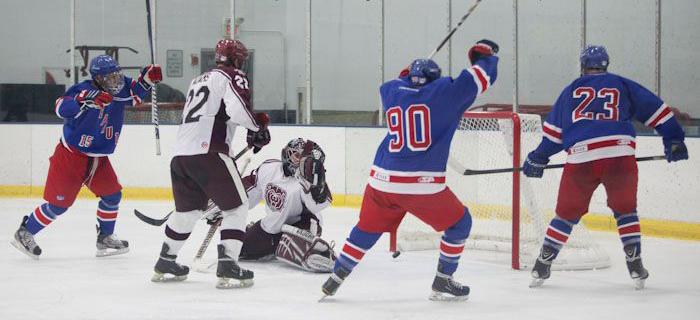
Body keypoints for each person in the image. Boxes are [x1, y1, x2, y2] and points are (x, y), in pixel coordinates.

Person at [320, 39, 499, 301]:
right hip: (420, 185)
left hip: (381, 181)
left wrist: (410, 73)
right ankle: (443, 280)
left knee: (367, 228)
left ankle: (336, 277)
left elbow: (400, 79)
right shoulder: (445, 94)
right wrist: (484, 53)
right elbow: (483, 75)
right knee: (460, 223)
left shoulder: (391, 92)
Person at [523, 45, 689, 290]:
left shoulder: (571, 90)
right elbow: (657, 110)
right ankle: (635, 265)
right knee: (626, 211)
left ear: (582, 65)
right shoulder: (621, 84)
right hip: (620, 154)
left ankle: (542, 265)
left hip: (581, 158)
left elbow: (554, 137)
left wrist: (537, 158)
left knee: (566, 214)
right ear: (606, 64)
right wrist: (673, 139)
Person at [10, 55, 161, 258]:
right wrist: (85, 100)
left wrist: (148, 79)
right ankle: (25, 232)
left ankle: (105, 237)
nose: (116, 81)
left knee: (112, 195)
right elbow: (60, 108)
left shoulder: (121, 86)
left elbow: (135, 95)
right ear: (98, 78)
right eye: (110, 78)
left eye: (117, 75)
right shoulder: (83, 89)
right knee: (59, 205)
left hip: (98, 158)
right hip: (71, 157)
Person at [150, 39, 271, 289]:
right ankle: (228, 264)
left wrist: (250, 127)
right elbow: (238, 111)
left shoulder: (197, 80)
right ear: (237, 59)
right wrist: (257, 126)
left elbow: (214, 115)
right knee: (236, 207)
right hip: (209, 153)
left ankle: (165, 260)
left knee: (188, 211)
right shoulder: (232, 76)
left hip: (181, 157)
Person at [238, 138, 335, 272]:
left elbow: (317, 205)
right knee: (240, 249)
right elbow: (249, 192)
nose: (300, 164)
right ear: (286, 153)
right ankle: (274, 245)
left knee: (294, 248)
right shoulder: (269, 168)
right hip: (272, 225)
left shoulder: (307, 180)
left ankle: (319, 251)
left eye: (306, 161)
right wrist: (228, 206)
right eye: (297, 156)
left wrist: (315, 186)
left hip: (301, 225)